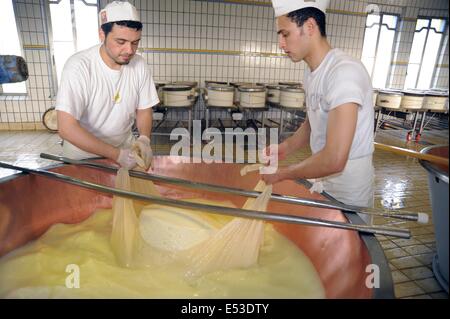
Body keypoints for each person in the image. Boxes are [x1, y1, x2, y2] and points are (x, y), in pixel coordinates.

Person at [262, 0, 375, 223]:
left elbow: (334, 159)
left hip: (348, 186)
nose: (280, 44)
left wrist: (283, 173)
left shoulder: (344, 72)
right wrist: (286, 148)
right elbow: (313, 122)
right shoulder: (312, 72)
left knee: (350, 250)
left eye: (285, 34)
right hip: (322, 176)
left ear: (310, 27)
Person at [55, 1, 159, 170]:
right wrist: (116, 155)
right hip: (83, 156)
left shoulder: (139, 65)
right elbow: (66, 128)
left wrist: (144, 139)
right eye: (121, 42)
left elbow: (144, 108)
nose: (129, 50)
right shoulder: (79, 66)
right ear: (102, 34)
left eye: (135, 42)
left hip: (125, 150)